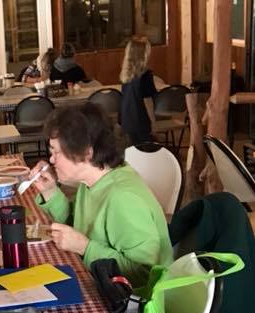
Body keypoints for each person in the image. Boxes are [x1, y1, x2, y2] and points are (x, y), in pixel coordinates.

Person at [33, 102, 172, 286]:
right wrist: (51, 192)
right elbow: (79, 226)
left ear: (87, 153)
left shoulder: (122, 198)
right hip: (100, 281)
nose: (51, 160)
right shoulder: (92, 180)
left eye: (56, 152)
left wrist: (85, 247)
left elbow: (145, 274)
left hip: (134, 303)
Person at [119, 36, 157, 146]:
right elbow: (147, 101)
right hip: (141, 121)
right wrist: (153, 123)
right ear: (143, 55)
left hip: (127, 120)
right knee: (145, 151)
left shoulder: (125, 75)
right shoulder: (145, 75)